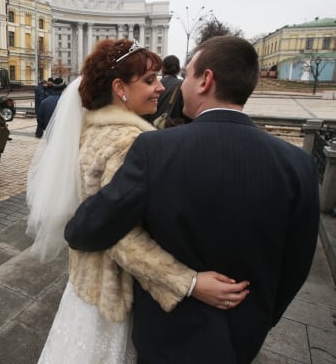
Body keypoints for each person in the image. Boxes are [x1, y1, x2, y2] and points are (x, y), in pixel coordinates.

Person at [65, 36, 320, 363]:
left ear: (206, 80)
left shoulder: (153, 149)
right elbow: (297, 263)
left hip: (165, 333)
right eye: (151, 80)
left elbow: (97, 224)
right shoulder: (299, 164)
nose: (169, 86)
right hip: (243, 332)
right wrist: (259, 317)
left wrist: (74, 228)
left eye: (186, 74)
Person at [27, 39, 249, 363]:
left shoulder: (93, 130)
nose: (160, 87)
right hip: (116, 293)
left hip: (89, 282)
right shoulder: (128, 142)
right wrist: (187, 282)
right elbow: (118, 236)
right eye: (149, 80)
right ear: (120, 88)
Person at [143, 54, 190, 126]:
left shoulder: (153, 85)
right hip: (174, 129)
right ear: (179, 69)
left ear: (163, 69)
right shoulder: (183, 86)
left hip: (151, 128)